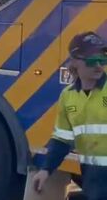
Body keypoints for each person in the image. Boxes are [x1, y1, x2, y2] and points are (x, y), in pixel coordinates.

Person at [32, 31, 107, 200]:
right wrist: (46, 170)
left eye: (102, 58)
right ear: (74, 62)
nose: (98, 64)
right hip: (92, 179)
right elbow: (61, 140)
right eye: (91, 59)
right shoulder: (68, 96)